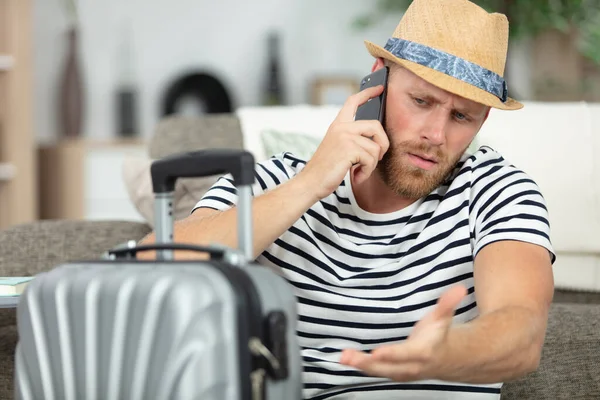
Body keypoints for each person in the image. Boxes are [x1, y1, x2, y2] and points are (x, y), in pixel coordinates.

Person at [140, 0, 555, 398]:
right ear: (378, 80)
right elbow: (148, 271)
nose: (436, 135)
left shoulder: (497, 190)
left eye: (461, 116)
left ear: (483, 119)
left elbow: (521, 332)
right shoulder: (278, 180)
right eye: (421, 101)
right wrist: (311, 183)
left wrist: (447, 353)